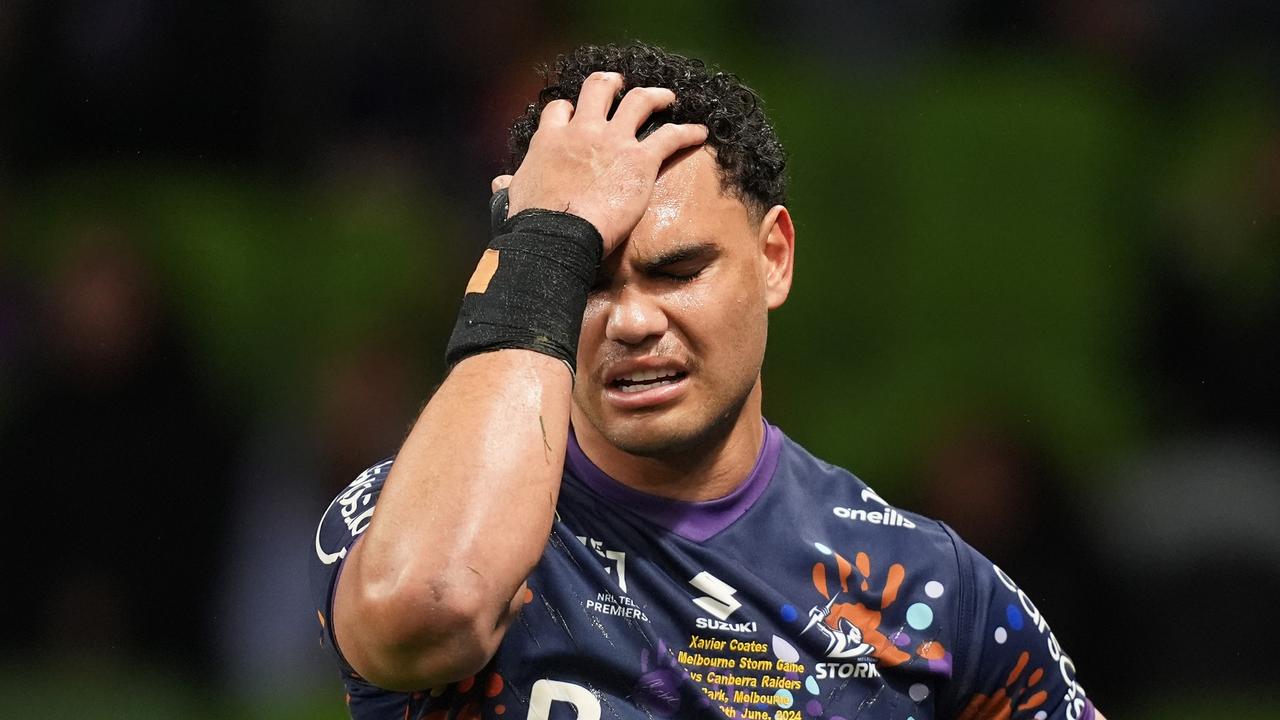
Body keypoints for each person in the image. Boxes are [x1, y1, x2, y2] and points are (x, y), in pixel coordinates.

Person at [311, 42, 1105, 720]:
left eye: (677, 271)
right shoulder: (411, 519)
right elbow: (428, 608)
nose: (630, 322)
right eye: (584, 280)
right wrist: (542, 249)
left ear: (774, 258)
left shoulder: (931, 589)